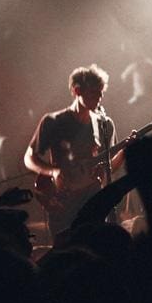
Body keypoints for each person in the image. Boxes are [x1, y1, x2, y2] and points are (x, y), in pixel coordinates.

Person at [24, 64, 119, 236]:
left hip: (93, 201)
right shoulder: (53, 121)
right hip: (63, 203)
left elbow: (110, 166)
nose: (99, 97)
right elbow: (29, 158)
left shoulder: (105, 124)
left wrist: (125, 151)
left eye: (101, 92)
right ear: (77, 91)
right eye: (93, 92)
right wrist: (53, 172)